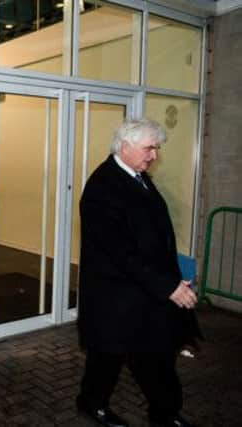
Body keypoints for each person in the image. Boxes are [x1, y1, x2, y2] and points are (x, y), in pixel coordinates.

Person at [76, 118, 201, 427]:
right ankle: (93, 403)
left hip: (144, 292)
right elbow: (121, 252)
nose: (154, 155)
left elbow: (153, 239)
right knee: (108, 357)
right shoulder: (102, 187)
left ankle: (165, 413)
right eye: (149, 148)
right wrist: (168, 286)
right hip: (116, 296)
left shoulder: (137, 176)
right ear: (125, 146)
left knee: (154, 356)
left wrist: (172, 278)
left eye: (156, 148)